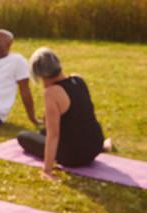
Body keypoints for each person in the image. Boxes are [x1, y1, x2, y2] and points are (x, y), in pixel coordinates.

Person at [16, 47, 109, 180]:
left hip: (73, 156)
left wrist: (47, 170)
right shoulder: (78, 79)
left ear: (39, 74)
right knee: (43, 131)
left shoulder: (51, 93)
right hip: (95, 146)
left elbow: (53, 135)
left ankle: (54, 160)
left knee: (23, 136)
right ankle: (103, 146)